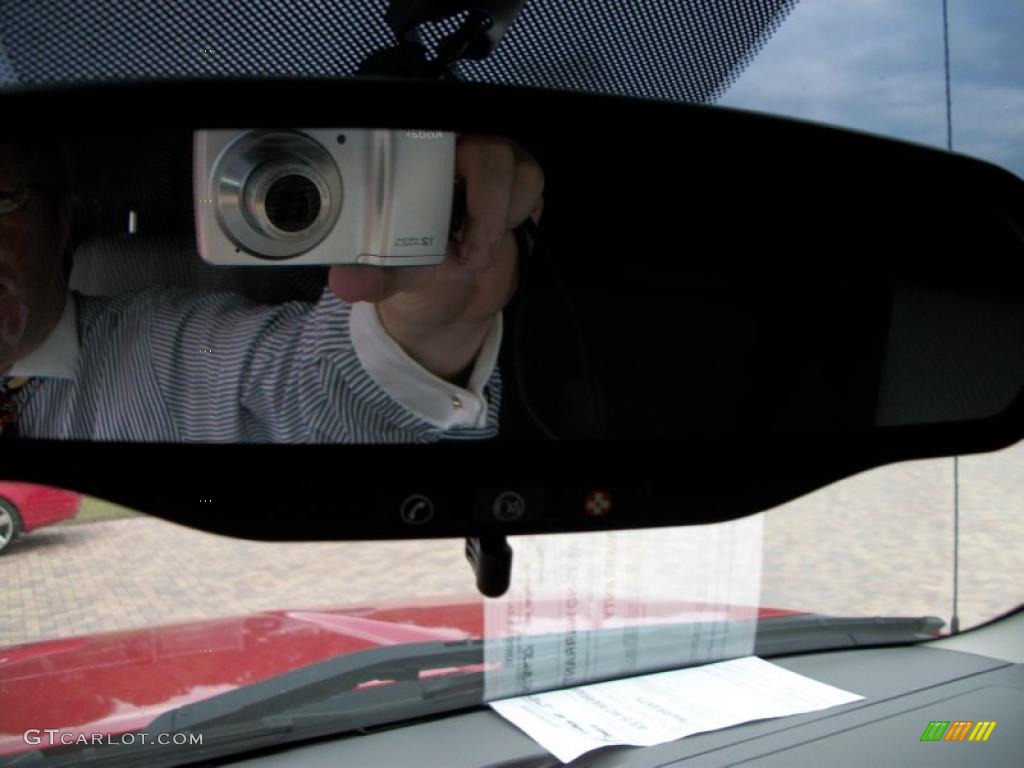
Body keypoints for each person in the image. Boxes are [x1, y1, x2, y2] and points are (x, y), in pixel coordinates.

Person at [0, 134, 543, 442]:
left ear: (60, 220)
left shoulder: (167, 346)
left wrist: (424, 319)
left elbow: (304, 389)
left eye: (2, 199)